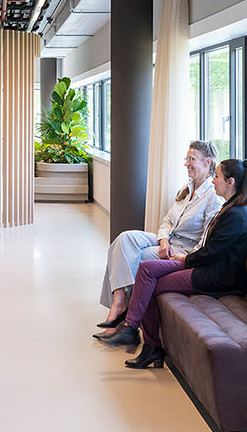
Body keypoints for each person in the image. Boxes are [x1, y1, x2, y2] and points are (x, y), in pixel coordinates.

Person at [99, 158, 247, 369]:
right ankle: (132, 330)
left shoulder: (236, 214)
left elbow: (213, 251)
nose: (213, 181)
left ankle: (146, 342)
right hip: (203, 265)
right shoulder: (229, 209)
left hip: (214, 276)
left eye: (217, 177)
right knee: (146, 269)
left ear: (230, 182)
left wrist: (187, 258)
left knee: (150, 282)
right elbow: (210, 247)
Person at [94, 141, 223, 333]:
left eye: (191, 159)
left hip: (183, 248)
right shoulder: (186, 189)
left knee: (135, 256)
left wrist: (184, 257)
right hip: (167, 239)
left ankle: (122, 314)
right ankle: (119, 301)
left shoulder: (213, 197)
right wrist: (163, 240)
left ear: (207, 162)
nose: (186, 163)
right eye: (186, 159)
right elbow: (167, 221)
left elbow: (206, 238)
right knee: (123, 240)